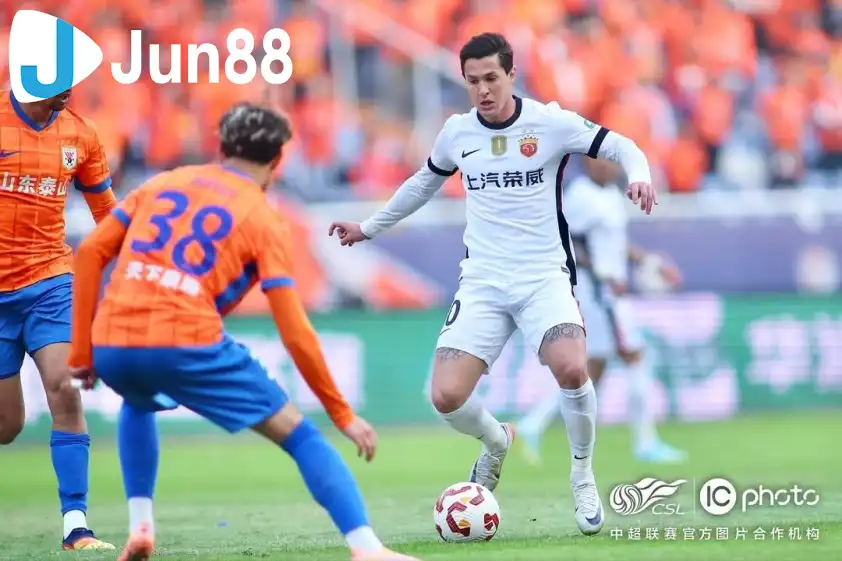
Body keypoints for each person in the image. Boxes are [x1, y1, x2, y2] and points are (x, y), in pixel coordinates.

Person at [328, 32, 657, 537]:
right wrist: (369, 227)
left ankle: (582, 475)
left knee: (572, 367)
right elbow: (423, 183)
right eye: (472, 81)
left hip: (543, 275)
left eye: (491, 78)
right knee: (446, 397)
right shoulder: (457, 133)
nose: (482, 90)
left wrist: (639, 173)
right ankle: (497, 441)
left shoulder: (549, 123)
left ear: (511, 75)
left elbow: (620, 145)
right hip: (482, 281)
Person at [67, 103, 419, 561]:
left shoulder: (163, 182)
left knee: (138, 400)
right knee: (302, 437)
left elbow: (89, 252)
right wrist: (341, 413)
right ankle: (367, 548)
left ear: (223, 147)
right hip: (186, 338)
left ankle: (141, 527)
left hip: (114, 340)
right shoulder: (264, 218)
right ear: (277, 161)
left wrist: (82, 353)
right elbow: (294, 331)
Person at [0, 88, 116, 550]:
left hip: (50, 282)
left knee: (65, 388)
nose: (69, 88)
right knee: (6, 427)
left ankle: (75, 525)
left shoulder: (81, 135)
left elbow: (107, 213)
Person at [517, 157, 687, 464]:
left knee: (593, 370)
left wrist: (648, 261)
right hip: (598, 293)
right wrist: (599, 273)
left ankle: (533, 423)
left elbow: (615, 243)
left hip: (608, 290)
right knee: (634, 356)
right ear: (590, 162)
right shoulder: (579, 196)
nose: (615, 168)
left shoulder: (609, 194)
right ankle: (645, 442)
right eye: (608, 162)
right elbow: (564, 240)